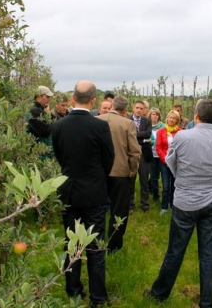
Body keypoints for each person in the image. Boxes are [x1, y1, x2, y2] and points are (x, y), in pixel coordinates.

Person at [145, 99, 212, 307]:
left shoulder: (183, 136)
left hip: (186, 202)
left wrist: (185, 180)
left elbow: (172, 164)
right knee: (208, 254)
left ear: (196, 115)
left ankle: (159, 294)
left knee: (175, 250)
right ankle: (207, 303)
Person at [51, 80, 115, 305]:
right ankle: (98, 297)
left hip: (68, 191)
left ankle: (74, 290)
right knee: (96, 245)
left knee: (72, 243)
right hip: (94, 193)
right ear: (94, 100)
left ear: (72, 98)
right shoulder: (99, 126)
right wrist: (97, 178)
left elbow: (59, 156)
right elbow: (109, 159)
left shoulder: (58, 126)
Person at [97, 96, 141, 252]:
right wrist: (132, 171)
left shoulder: (96, 120)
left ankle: (95, 240)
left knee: (97, 209)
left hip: (99, 172)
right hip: (120, 173)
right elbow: (135, 152)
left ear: (112, 105)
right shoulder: (127, 123)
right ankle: (113, 245)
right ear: (124, 110)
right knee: (119, 211)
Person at [156, 110, 182, 214]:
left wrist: (175, 161)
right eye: (170, 117)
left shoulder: (181, 132)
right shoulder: (161, 131)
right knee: (166, 186)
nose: (171, 119)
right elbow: (158, 147)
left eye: (174, 118)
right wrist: (165, 160)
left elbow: (181, 148)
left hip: (176, 163)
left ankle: (173, 205)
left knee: (175, 185)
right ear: (167, 118)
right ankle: (164, 207)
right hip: (164, 162)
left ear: (177, 120)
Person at [130, 100, 153, 212]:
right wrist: (143, 139)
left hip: (144, 154)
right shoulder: (127, 120)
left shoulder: (147, 121)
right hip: (131, 154)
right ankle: (130, 205)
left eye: (141, 108)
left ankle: (145, 205)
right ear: (133, 108)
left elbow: (148, 133)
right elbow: (127, 135)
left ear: (144, 110)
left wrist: (133, 134)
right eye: (137, 107)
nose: (139, 110)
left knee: (144, 180)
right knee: (131, 180)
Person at [26, 86, 55, 158]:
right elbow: (45, 131)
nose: (49, 99)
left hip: (44, 151)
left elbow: (55, 121)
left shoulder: (41, 109)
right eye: (47, 97)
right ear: (39, 97)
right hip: (39, 153)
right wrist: (48, 116)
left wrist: (48, 114)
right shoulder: (33, 110)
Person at [148, 107, 165, 202]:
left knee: (163, 176)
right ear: (150, 115)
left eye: (157, 114)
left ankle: (165, 195)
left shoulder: (163, 126)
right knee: (154, 177)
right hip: (152, 155)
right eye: (153, 114)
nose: (155, 116)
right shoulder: (147, 126)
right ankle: (155, 196)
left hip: (162, 155)